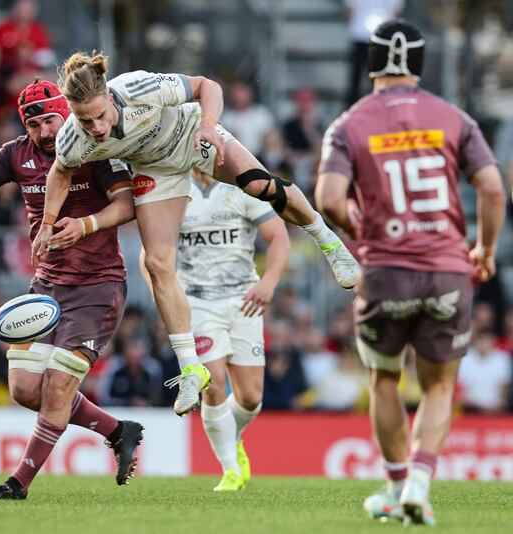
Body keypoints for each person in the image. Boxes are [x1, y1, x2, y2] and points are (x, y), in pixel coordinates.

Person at [33, 51, 358, 417]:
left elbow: (207, 85)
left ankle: (328, 240)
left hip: (192, 135)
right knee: (156, 263)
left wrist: (208, 123)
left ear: (109, 97)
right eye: (84, 119)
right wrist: (46, 224)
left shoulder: (138, 87)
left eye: (100, 115)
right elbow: (59, 173)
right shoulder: (73, 137)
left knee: (260, 185)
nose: (96, 127)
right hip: (156, 170)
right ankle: (191, 367)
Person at [316, 20, 505, 526]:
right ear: (419, 66)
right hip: (447, 270)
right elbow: (491, 189)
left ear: (372, 63)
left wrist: (360, 227)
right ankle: (421, 482)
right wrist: (484, 249)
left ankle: (398, 488)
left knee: (384, 378)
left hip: (385, 272)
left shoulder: (349, 124)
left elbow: (329, 198)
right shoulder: (453, 118)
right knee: (440, 386)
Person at [0, 79, 144, 501]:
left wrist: (84, 224)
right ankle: (119, 431)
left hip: (97, 287)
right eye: (34, 124)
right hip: (46, 286)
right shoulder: (15, 154)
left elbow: (126, 205)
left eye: (50, 120)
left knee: (60, 387)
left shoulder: (93, 147)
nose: (45, 132)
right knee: (26, 389)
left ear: (63, 114)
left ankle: (17, 485)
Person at [143, 169, 289, 490]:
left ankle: (231, 436)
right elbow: (149, 253)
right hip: (196, 303)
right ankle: (230, 470)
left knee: (251, 397)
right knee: (213, 383)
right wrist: (164, 299)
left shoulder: (244, 188)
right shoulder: (176, 190)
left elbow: (278, 235)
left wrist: (268, 283)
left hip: (244, 300)